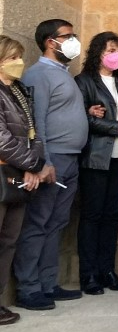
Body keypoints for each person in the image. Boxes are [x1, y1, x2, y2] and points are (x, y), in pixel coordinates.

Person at [13, 19, 88, 311]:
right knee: (37, 223)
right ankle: (28, 288)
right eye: (67, 36)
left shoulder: (63, 74)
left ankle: (48, 283)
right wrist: (43, 162)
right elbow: (36, 122)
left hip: (71, 158)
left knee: (56, 223)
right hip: (52, 158)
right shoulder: (39, 74)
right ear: (49, 42)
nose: (73, 41)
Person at [74, 32, 118, 295]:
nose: (116, 56)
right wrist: (117, 126)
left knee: (112, 215)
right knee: (92, 215)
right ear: (98, 53)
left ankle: (107, 271)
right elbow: (81, 119)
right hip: (96, 157)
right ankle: (88, 275)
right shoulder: (84, 81)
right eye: (110, 51)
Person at [0, 36, 45, 325]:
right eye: (12, 57)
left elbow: (32, 132)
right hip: (4, 171)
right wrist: (32, 164)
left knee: (9, 240)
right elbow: (2, 140)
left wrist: (33, 167)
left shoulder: (17, 91)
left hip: (19, 174)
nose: (19, 62)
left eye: (20, 56)